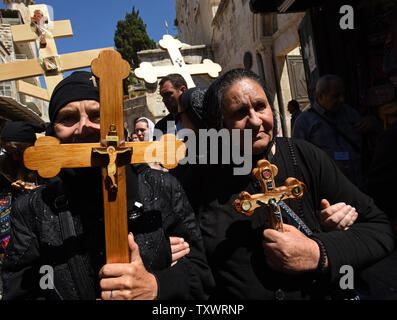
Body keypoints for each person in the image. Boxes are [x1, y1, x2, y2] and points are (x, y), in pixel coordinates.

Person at [1, 71, 213, 300]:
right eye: (68, 118)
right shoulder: (33, 209)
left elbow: (201, 276)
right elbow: (20, 291)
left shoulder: (162, 187)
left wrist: (156, 285)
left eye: (97, 115)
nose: (84, 127)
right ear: (54, 132)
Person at [187, 68, 394, 299]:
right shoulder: (199, 180)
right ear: (219, 124)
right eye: (239, 112)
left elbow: (379, 229)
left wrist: (318, 252)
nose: (255, 121)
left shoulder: (306, 157)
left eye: (260, 106)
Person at [0, 121, 46, 299]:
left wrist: (36, 192)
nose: (16, 158)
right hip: (8, 236)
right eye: (10, 152)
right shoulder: (3, 167)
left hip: (35, 236)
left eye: (20, 152)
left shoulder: (44, 167)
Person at [292, 75, 362, 186]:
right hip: (331, 187)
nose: (341, 99)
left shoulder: (350, 113)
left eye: (342, 94)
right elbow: (298, 157)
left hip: (358, 182)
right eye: (335, 96)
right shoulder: (304, 122)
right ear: (320, 96)